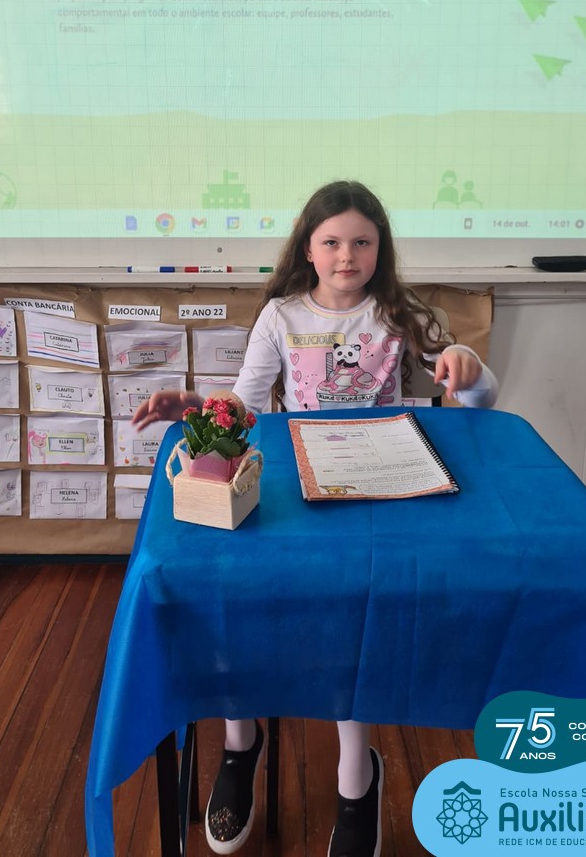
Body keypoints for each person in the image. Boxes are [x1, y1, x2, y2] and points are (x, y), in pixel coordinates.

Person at [133, 180, 498, 857]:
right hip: (299, 484)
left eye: (362, 241)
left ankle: (356, 777)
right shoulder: (281, 315)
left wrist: (468, 368)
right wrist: (194, 406)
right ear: (308, 248)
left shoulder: (398, 314)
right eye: (331, 241)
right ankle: (240, 744)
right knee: (236, 599)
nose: (346, 255)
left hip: (377, 488)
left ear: (380, 249)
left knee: (354, 619)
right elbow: (245, 409)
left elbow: (479, 396)